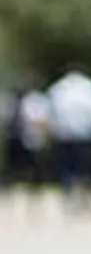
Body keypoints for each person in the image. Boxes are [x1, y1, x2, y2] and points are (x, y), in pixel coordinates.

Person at [46, 65, 91, 218]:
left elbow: (48, 114)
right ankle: (89, 202)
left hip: (65, 138)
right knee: (89, 171)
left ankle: (70, 202)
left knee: (67, 172)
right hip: (88, 137)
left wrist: (56, 131)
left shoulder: (59, 89)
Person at [2, 79, 55, 218]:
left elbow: (44, 121)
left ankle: (34, 198)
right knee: (10, 170)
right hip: (13, 139)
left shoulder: (36, 102)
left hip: (31, 141)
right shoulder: (9, 101)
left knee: (34, 171)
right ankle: (7, 197)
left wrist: (44, 137)